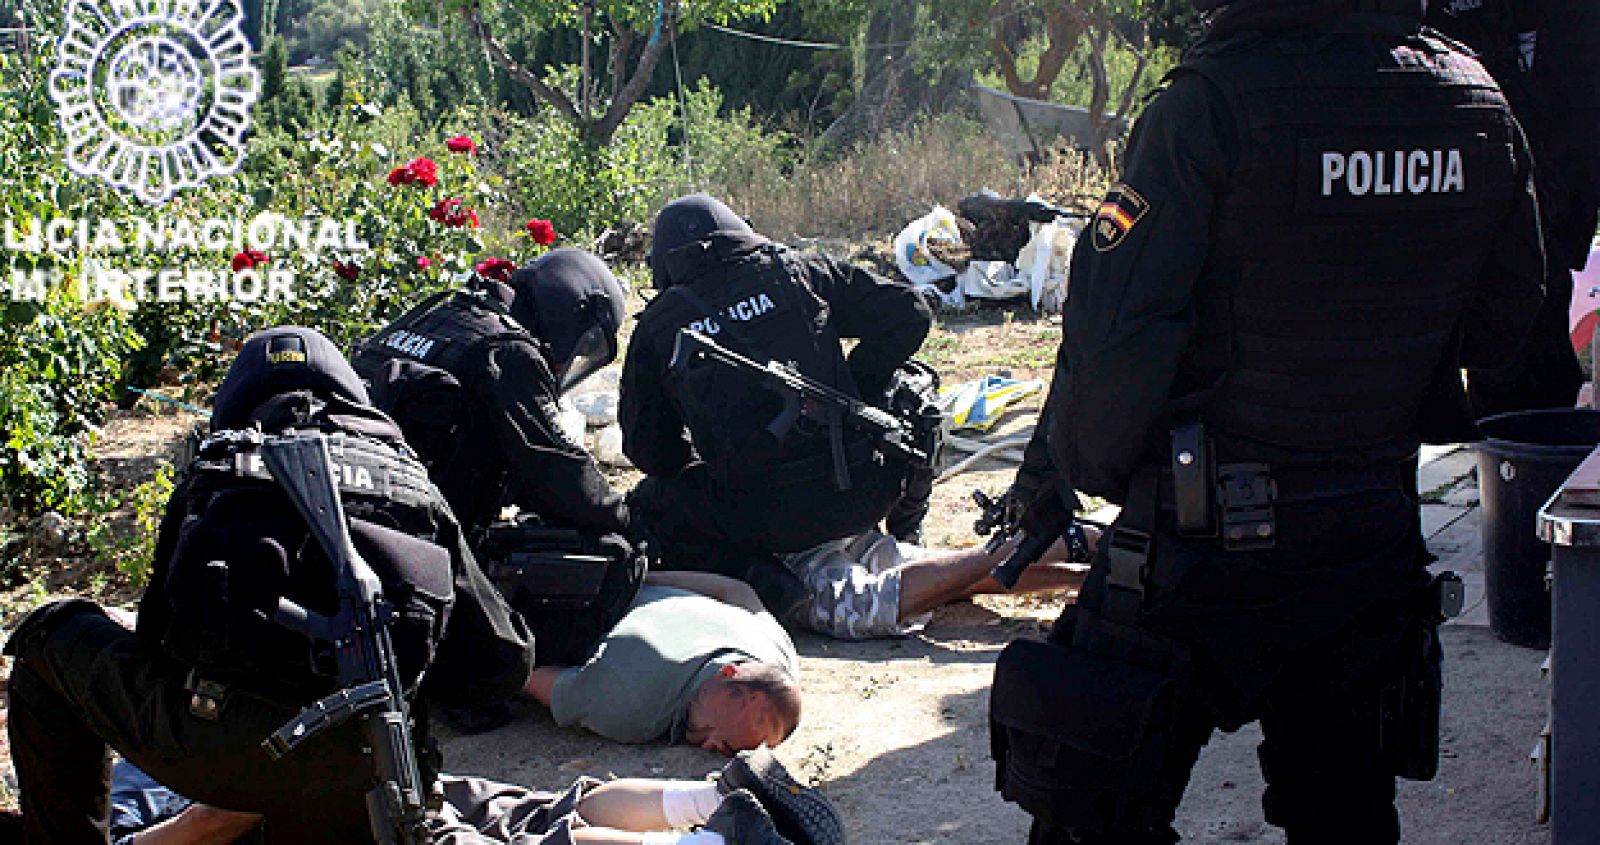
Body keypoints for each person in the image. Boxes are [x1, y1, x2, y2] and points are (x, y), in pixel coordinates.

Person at [987, 1, 1546, 843]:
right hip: (1369, 530)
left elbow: (1114, 337)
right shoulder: (1476, 101)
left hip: (1195, 542)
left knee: (1087, 811)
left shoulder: (1213, 100)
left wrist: (1095, 473)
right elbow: (1507, 328)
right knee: (1346, 815)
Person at [4, 327, 536, 843]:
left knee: (46, 635)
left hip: (215, 753)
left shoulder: (217, 465)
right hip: (371, 778)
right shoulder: (411, 484)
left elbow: (160, 639)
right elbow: (498, 666)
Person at [619, 194, 935, 613]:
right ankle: (907, 529)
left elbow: (651, 454)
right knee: (914, 390)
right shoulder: (798, 271)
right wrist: (858, 388)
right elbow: (910, 311)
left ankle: (760, 578)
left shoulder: (659, 326)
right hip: (862, 490)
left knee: (645, 506)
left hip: (756, 520)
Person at [352, 249, 644, 673]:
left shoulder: (436, 314)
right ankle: (487, 670)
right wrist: (630, 520)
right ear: (569, 317)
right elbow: (559, 476)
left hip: (360, 528)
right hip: (421, 548)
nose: (568, 360)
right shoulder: (507, 352)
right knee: (618, 555)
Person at [100, 745, 843, 845]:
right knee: (544, 809)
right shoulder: (138, 771)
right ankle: (715, 802)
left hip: (340, 796)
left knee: (534, 830)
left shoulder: (121, 798)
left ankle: (717, 829)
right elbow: (212, 819)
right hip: (336, 772)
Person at [1423, 0, 1598, 415]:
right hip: (1453, 207)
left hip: (1545, 219)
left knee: (1534, 370)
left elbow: (1584, 116)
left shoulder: (1575, 20)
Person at [524, 572, 802, 756]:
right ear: (727, 674)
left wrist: (638, 576)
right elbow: (525, 674)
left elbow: (736, 589)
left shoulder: (776, 654)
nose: (710, 746)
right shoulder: (634, 707)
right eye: (721, 739)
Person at [779, 527, 1095, 641]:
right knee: (945, 578)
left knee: (867, 607)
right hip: (829, 522)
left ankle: (1053, 543)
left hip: (785, 543)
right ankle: (1086, 573)